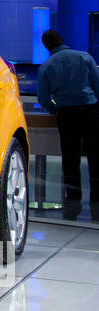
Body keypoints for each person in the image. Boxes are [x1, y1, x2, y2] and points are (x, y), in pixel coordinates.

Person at [37, 29, 99, 220]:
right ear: (62, 39)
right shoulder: (84, 57)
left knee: (70, 159)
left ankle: (73, 202)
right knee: (96, 158)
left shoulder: (47, 66)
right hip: (90, 111)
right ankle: (97, 202)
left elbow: (43, 97)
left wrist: (54, 109)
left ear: (46, 46)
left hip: (67, 114)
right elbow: (97, 85)